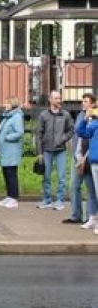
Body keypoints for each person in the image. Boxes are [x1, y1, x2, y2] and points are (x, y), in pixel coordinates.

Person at [35, 89, 74, 210]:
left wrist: (62, 139)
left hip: (60, 149)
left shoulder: (65, 114)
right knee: (46, 176)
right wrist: (39, 152)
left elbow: (71, 130)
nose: (58, 100)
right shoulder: (43, 115)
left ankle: (60, 201)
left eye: (59, 98)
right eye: (56, 98)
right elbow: (39, 134)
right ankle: (46, 200)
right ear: (50, 100)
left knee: (61, 177)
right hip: (46, 150)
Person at [66, 93, 97, 224]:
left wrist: (85, 156)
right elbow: (79, 132)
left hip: (89, 157)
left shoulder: (95, 119)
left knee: (92, 190)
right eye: (82, 101)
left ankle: (91, 217)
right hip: (78, 156)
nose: (83, 103)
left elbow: (92, 139)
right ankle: (77, 215)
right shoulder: (80, 115)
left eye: (86, 101)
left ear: (93, 104)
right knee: (74, 186)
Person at [0, 97, 25, 209]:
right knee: (6, 173)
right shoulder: (8, 116)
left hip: (11, 150)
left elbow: (19, 132)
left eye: (7, 103)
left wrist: (7, 137)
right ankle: (9, 195)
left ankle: (14, 198)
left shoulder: (16, 117)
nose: (5, 104)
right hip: (5, 151)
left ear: (13, 104)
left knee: (11, 174)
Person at [76, 107, 98, 233]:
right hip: (95, 162)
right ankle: (93, 219)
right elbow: (80, 131)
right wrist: (85, 119)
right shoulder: (94, 124)